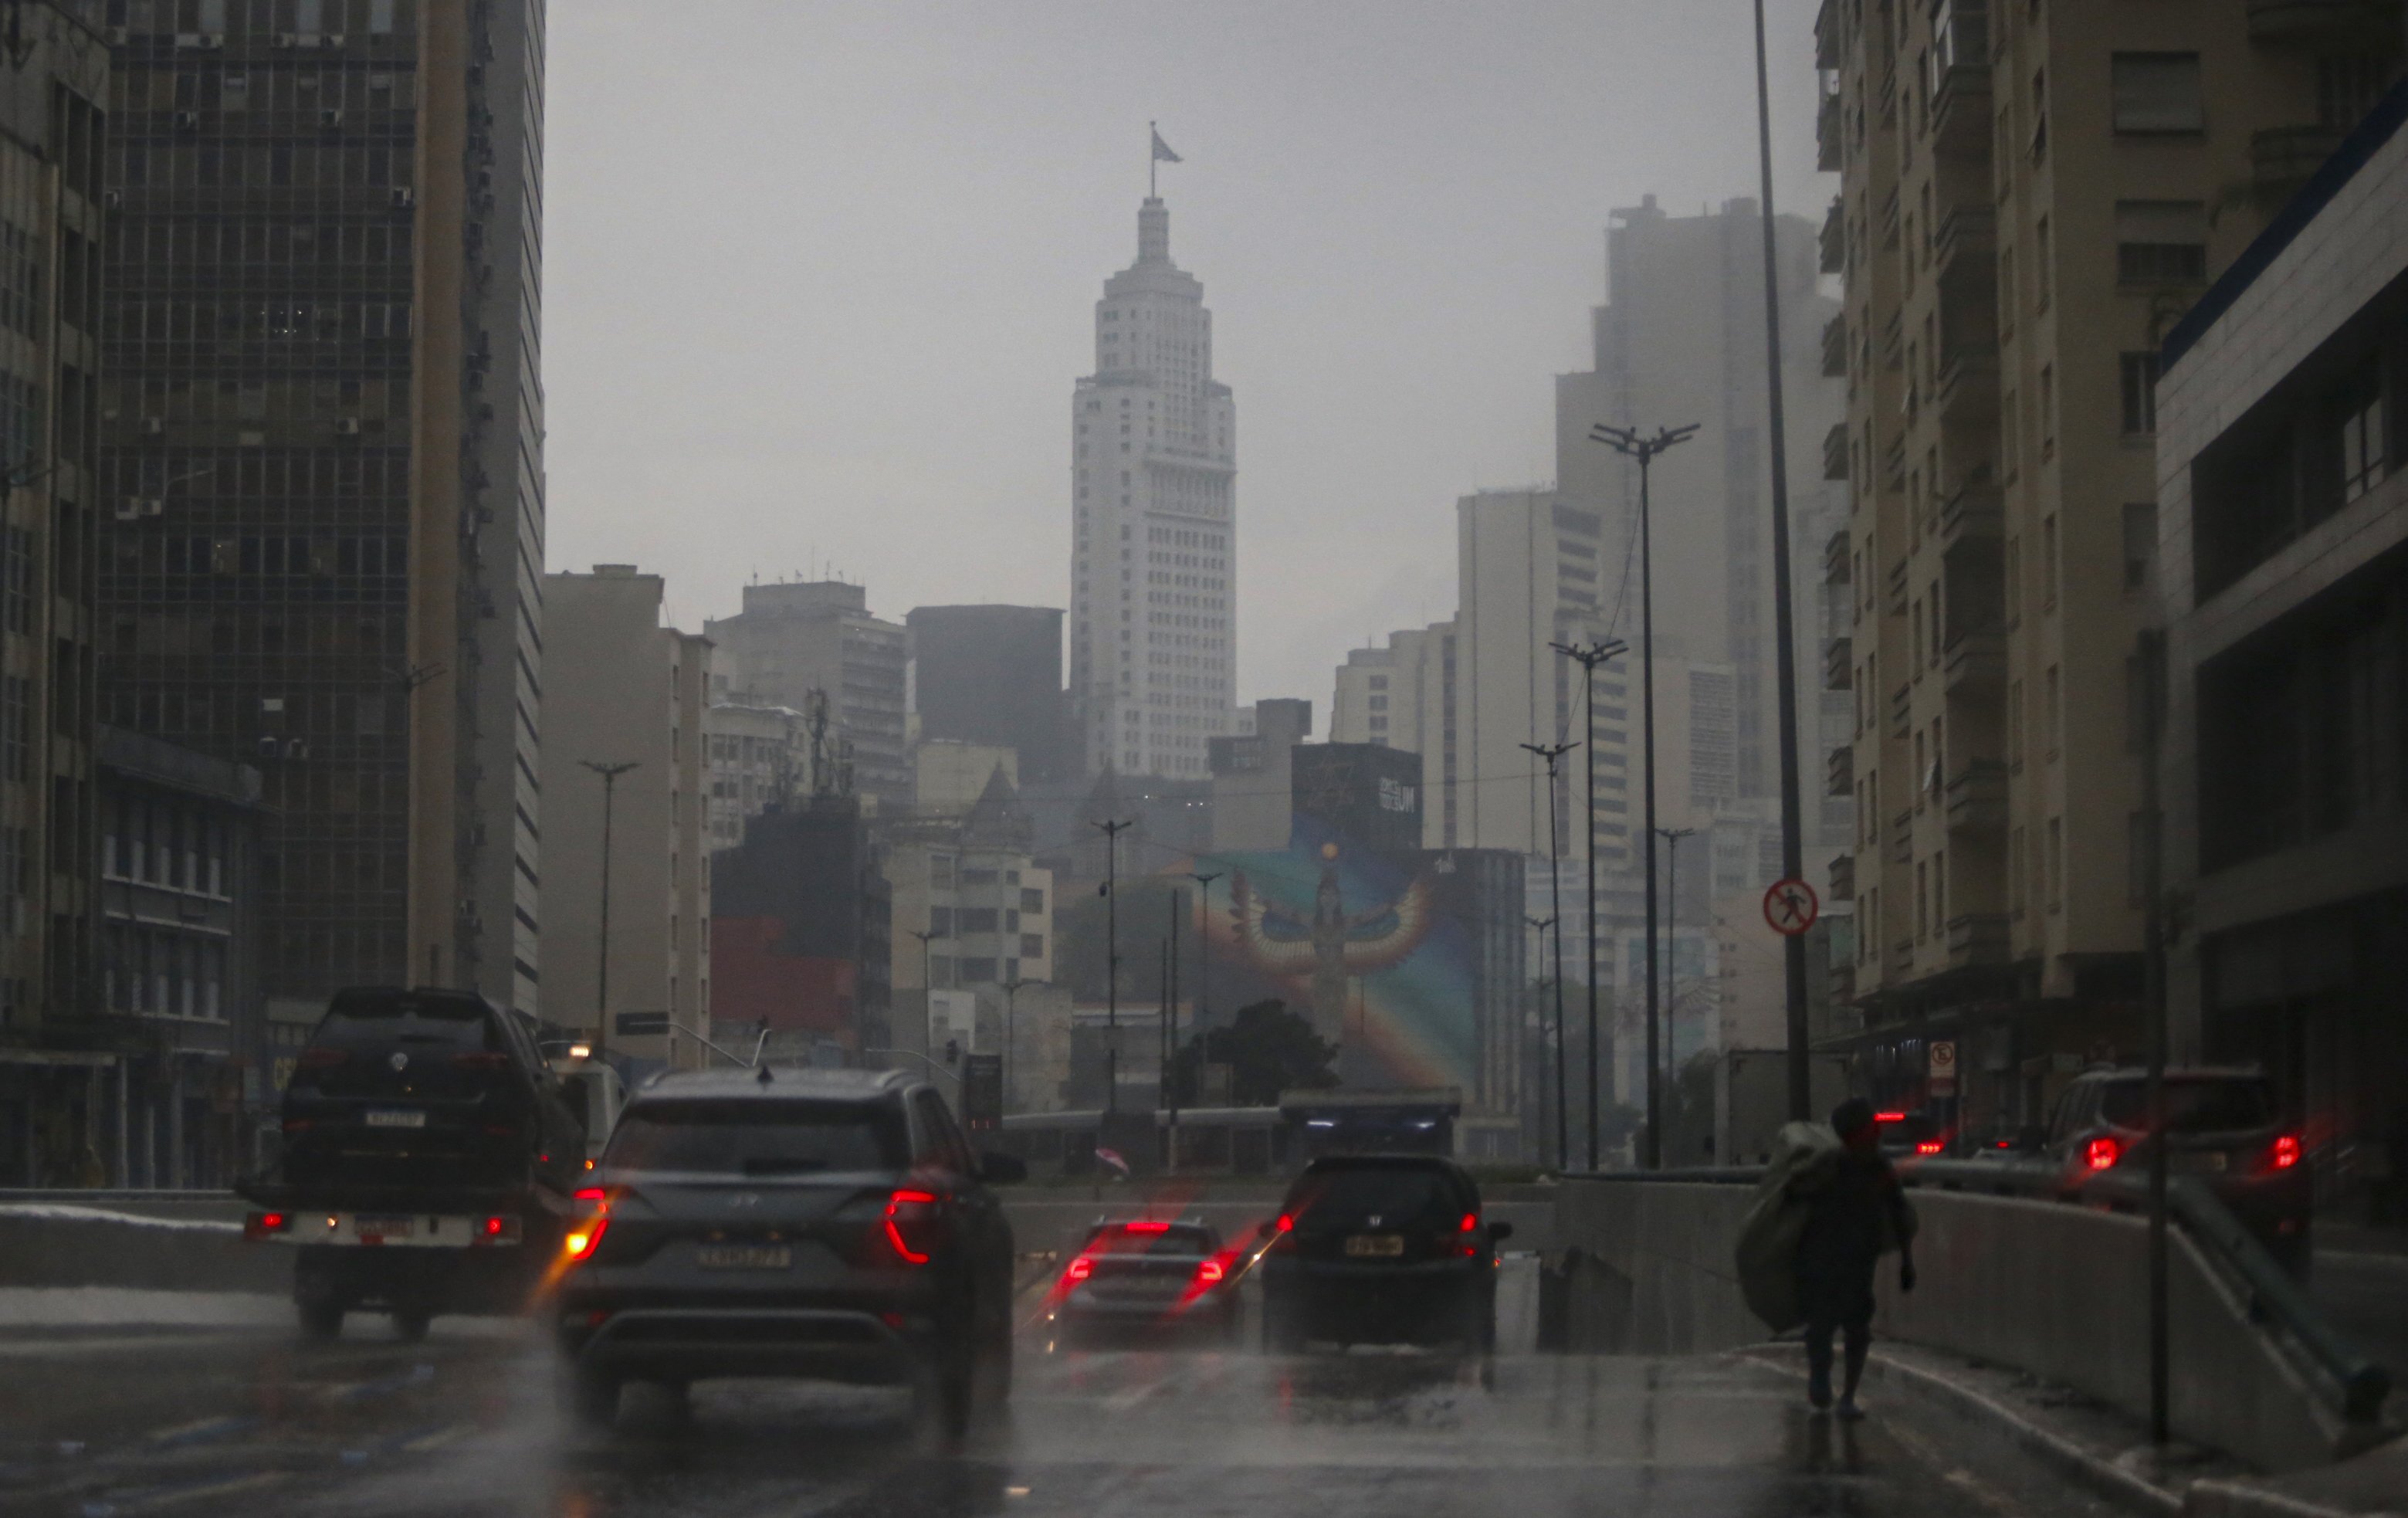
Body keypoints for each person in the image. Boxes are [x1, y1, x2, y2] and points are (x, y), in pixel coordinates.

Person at [1793, 1096, 1916, 1419]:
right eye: (1868, 1130)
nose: (1875, 1137)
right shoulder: (1827, 1166)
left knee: (1857, 1327)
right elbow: (1796, 1206)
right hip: (1822, 1258)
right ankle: (1821, 1381)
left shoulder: (1878, 1167)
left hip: (1860, 1259)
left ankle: (1847, 1396)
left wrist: (1907, 1260)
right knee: (1820, 1326)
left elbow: (1898, 1211)